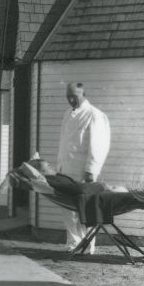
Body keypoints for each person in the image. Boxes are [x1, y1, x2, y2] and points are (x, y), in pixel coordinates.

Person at [56, 82, 111, 253]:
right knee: (68, 210)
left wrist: (91, 170)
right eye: (68, 96)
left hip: (82, 172)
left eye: (75, 96)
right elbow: (65, 143)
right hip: (65, 169)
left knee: (83, 211)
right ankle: (73, 245)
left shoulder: (95, 115)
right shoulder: (68, 114)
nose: (71, 100)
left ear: (83, 94)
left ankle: (87, 248)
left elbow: (99, 145)